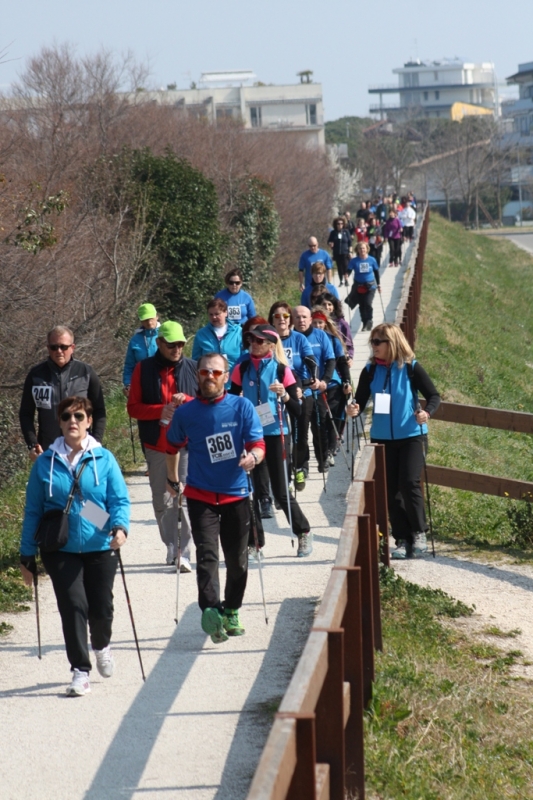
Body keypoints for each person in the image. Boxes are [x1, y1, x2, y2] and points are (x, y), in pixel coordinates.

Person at [19, 396, 130, 697]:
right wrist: (27, 554)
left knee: (101, 608)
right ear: (59, 421)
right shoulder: (45, 463)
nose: (72, 421)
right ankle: (80, 670)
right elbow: (33, 510)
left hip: (100, 540)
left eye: (79, 416)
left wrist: (120, 527)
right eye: (66, 416)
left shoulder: (104, 458)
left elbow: (119, 500)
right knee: (73, 606)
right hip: (59, 546)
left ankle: (102, 645)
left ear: (89, 421)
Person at [166, 353, 265, 644]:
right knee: (207, 555)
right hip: (201, 495)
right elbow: (171, 446)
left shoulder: (241, 407)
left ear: (226, 376)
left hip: (236, 494)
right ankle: (210, 609)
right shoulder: (186, 413)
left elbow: (258, 444)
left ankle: (231, 610)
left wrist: (253, 458)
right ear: (197, 375)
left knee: (237, 560)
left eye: (216, 372)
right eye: (205, 372)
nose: (210, 377)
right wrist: (172, 479)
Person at [346, 324, 440, 560]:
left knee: (409, 482)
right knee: (390, 490)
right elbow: (360, 401)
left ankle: (419, 532)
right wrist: (353, 408)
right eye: (372, 342)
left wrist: (426, 413)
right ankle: (401, 539)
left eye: (378, 342)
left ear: (392, 343)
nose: (374, 346)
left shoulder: (410, 367)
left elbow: (434, 396)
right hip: (382, 438)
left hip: (412, 435)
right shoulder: (370, 370)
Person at [229, 324, 313, 557]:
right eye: (251, 340)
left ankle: (303, 532)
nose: (253, 344)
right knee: (253, 492)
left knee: (280, 492)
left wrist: (283, 395)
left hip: (276, 434)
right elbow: (230, 401)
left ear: (270, 345)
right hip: (251, 436)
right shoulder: (241, 367)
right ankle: (254, 543)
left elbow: (297, 410)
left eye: (259, 341)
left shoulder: (281, 370)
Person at [127, 321, 196, 570]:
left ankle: (183, 552)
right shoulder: (142, 369)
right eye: (171, 345)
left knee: (184, 496)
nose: (177, 349)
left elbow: (205, 404)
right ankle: (171, 545)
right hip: (156, 444)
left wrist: (187, 400)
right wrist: (160, 410)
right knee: (162, 499)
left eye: (180, 344)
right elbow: (133, 408)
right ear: (159, 343)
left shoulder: (193, 367)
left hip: (185, 445)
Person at [19, 325, 106, 462]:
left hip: (82, 451)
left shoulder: (86, 372)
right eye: (54, 347)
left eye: (63, 347)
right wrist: (32, 443)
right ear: (48, 348)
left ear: (72, 347)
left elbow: (99, 411)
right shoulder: (36, 375)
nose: (59, 351)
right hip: (48, 450)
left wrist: (96, 442)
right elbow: (26, 413)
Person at [268, 302, 316, 491]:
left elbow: (311, 361)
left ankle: (300, 467)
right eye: (277, 316)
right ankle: (285, 474)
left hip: (300, 390)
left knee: (300, 434)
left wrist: (311, 380)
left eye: (285, 316)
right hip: (275, 392)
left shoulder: (299, 338)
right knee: (281, 436)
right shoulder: (267, 340)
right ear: (271, 320)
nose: (281, 319)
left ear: (290, 320)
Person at [292, 306, 336, 478]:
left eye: (304, 317)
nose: (301, 320)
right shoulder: (289, 337)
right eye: (297, 317)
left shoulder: (320, 335)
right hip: (299, 388)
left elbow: (330, 360)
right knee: (301, 430)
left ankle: (322, 457)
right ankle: (302, 466)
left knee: (319, 425)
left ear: (310, 319)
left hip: (317, 386)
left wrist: (324, 381)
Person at [311, 309, 351, 463]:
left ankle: (331, 449)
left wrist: (346, 381)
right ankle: (324, 450)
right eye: (314, 322)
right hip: (314, 386)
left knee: (333, 418)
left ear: (325, 323)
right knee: (321, 420)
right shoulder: (305, 339)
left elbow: (341, 362)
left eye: (320, 322)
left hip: (333, 383)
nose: (317, 325)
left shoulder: (333, 340)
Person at [192, 298, 242, 388]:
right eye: (211, 314)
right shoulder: (201, 334)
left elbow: (245, 359)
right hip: (210, 385)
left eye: (217, 314)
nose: (214, 317)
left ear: (226, 313)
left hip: (234, 385)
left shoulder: (239, 332)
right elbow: (195, 362)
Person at [122, 303, 160, 396]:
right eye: (145, 320)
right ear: (141, 320)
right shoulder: (135, 340)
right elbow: (129, 365)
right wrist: (128, 384)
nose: (149, 322)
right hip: (142, 386)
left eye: (151, 318)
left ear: (157, 316)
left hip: (163, 383)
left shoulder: (165, 335)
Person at [345, 241, 382, 331]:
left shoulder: (372, 260)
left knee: (367, 303)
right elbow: (349, 270)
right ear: (357, 250)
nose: (362, 250)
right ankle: (365, 323)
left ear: (367, 249)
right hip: (358, 286)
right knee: (361, 305)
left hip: (370, 286)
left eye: (363, 248)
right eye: (360, 248)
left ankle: (369, 320)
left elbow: (376, 273)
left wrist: (379, 285)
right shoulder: (354, 261)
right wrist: (346, 276)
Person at [317, 293, 354, 363]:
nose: (327, 307)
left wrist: (350, 357)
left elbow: (349, 344)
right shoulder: (315, 323)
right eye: (323, 304)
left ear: (334, 306)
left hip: (339, 360)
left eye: (329, 304)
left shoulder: (342, 323)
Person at [327, 216, 352, 287]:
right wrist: (330, 243)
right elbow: (329, 241)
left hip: (345, 252)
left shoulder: (346, 232)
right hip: (337, 252)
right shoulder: (333, 233)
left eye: (341, 223)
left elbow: (350, 243)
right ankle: (341, 280)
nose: (340, 225)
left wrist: (350, 252)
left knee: (346, 266)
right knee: (339, 267)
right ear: (336, 224)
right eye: (338, 223)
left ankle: (346, 279)